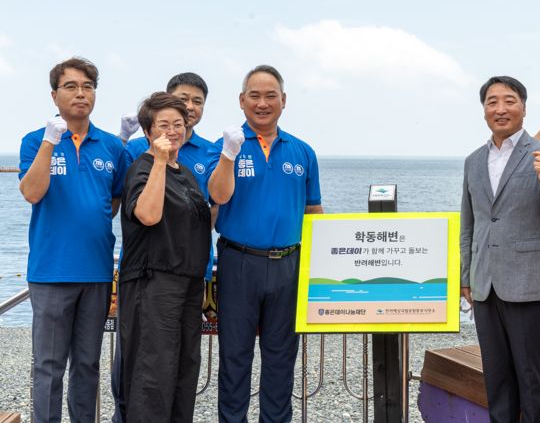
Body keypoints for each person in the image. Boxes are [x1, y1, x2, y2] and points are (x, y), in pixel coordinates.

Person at [207, 65, 323, 422]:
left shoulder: (302, 151)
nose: (262, 103)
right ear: (241, 101)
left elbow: (313, 210)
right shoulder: (223, 147)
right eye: (254, 96)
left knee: (280, 357)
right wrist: (229, 153)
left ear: (283, 101)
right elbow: (216, 196)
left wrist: (319, 268)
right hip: (239, 262)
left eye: (270, 95)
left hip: (289, 264)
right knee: (235, 357)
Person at [18, 57, 128, 422]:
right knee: (48, 367)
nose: (81, 93)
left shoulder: (111, 147)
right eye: (71, 86)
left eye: (88, 86)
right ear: (55, 95)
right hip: (50, 272)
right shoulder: (35, 141)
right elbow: (32, 193)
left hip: (96, 273)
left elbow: (113, 202)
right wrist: (51, 144)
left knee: (87, 365)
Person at [460, 75, 540, 423]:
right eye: (492, 102)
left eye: (509, 100)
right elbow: (470, 223)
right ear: (484, 111)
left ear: (523, 107)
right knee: (496, 378)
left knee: (532, 378)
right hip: (485, 284)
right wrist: (466, 276)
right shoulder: (473, 161)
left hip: (528, 285)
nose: (500, 108)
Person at [111, 72, 216, 422]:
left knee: (184, 371)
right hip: (152, 283)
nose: (172, 131)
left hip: (187, 284)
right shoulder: (143, 168)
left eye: (178, 124)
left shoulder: (184, 173)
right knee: (152, 374)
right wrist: (158, 161)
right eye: (163, 125)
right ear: (147, 132)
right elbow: (149, 215)